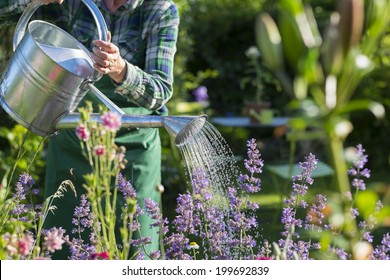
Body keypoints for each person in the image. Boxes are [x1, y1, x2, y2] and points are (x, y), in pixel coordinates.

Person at [0, 0, 179, 259]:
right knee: (63, 247)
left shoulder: (159, 10)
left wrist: (121, 70)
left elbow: (160, 91)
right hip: (73, 138)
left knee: (133, 246)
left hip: (132, 147)